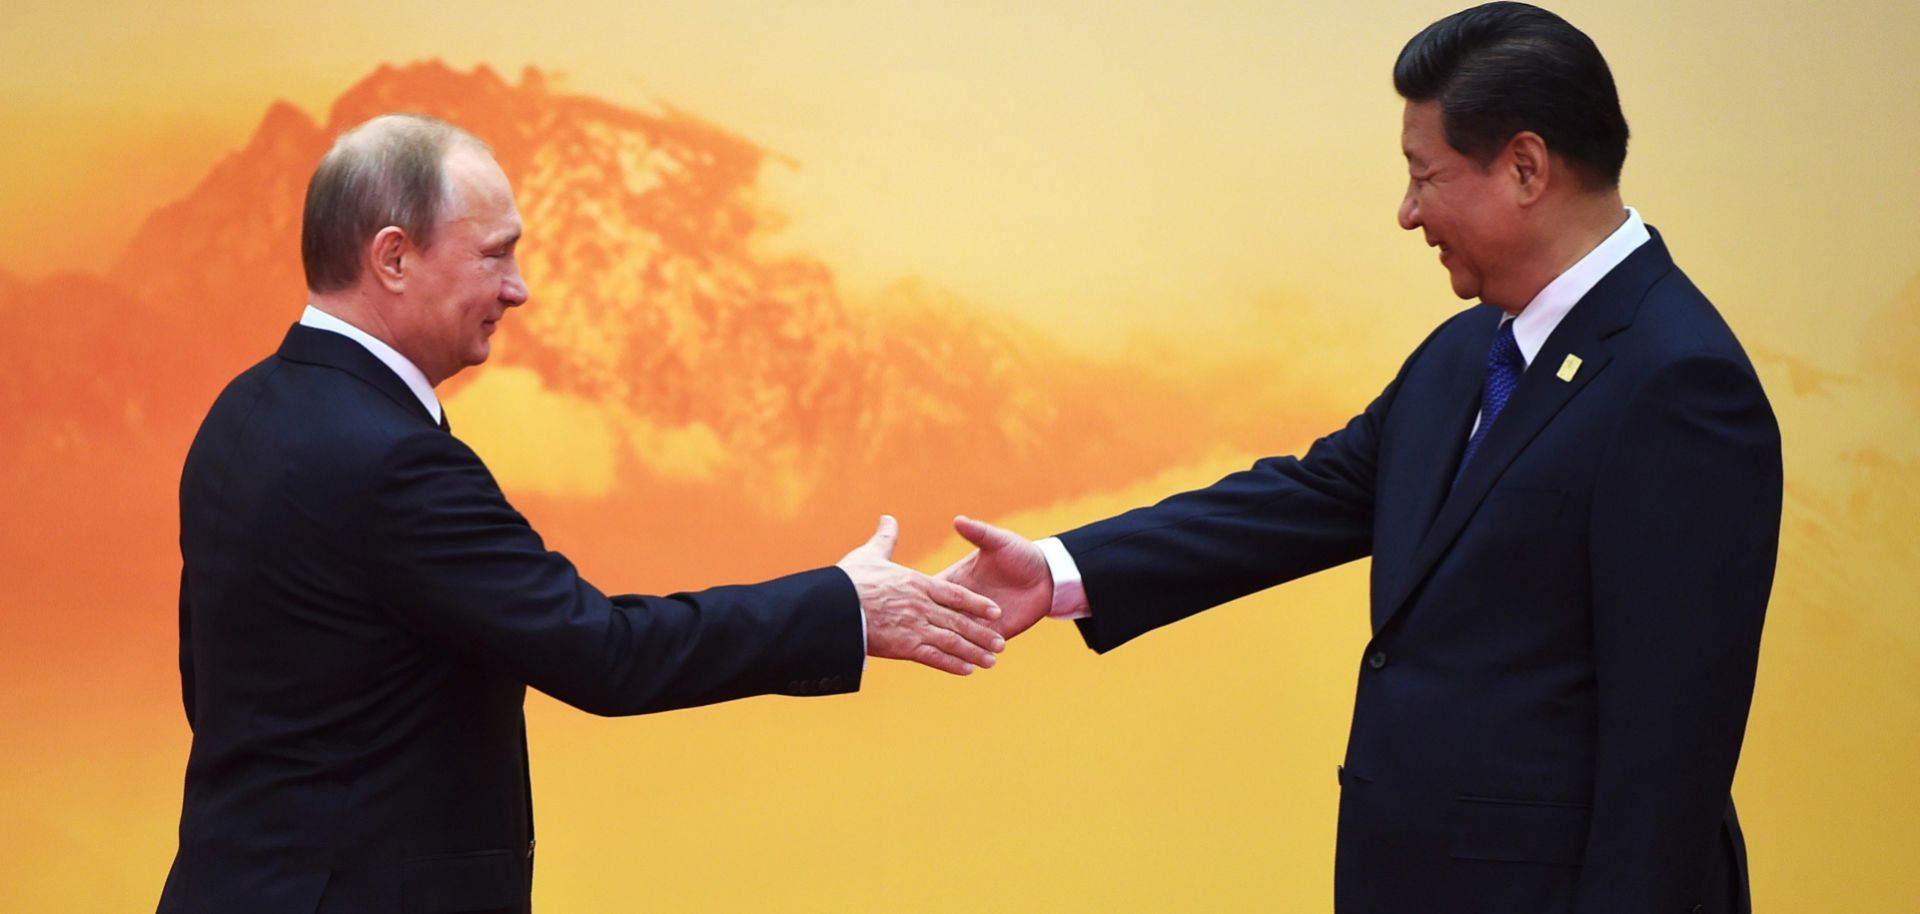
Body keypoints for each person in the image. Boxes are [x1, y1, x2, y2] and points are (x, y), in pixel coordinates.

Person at [942, 4, 1780, 912]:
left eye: (1425, 176)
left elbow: (1669, 753)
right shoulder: (1468, 352)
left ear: (1526, 167)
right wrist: (1059, 571)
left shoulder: (1680, 383)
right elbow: (1308, 498)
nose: (1407, 212)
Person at [158, 113, 1005, 914]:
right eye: (495, 255)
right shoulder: (392, 460)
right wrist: (843, 605)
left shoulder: (242, 414)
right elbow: (606, 655)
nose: (518, 289)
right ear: (393, 258)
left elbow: (222, 688)